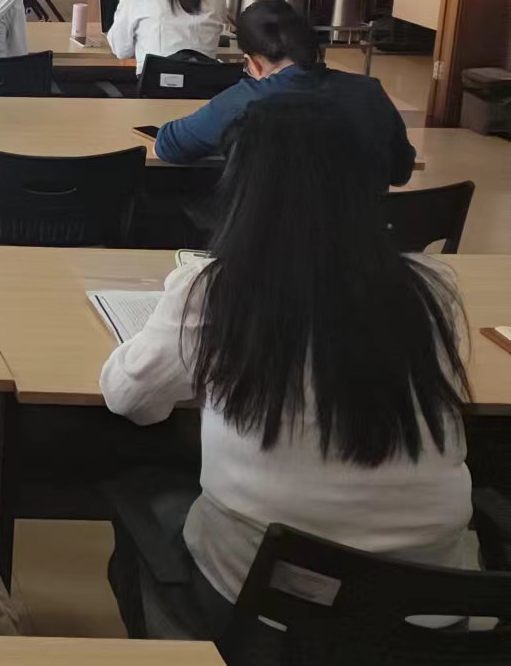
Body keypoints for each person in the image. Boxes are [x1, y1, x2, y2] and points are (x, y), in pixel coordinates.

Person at [102, 95, 471, 622]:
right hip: (434, 615)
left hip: (266, 610)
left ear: (243, 186)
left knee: (143, 510)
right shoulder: (432, 288)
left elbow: (129, 398)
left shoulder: (213, 291)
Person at [154, 0, 415, 185]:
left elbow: (168, 145)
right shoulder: (368, 91)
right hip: (361, 239)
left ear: (253, 63)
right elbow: (400, 171)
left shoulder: (246, 100)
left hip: (267, 237)